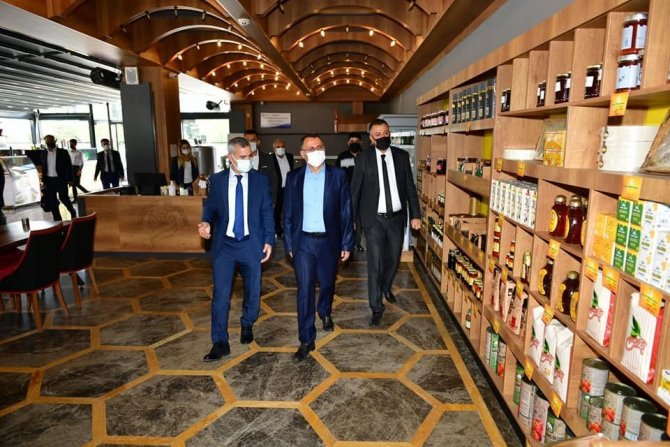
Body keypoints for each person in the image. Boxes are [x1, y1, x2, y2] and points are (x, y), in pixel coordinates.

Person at [198, 137, 275, 361]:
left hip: (251, 243)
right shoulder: (218, 180)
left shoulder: (260, 181)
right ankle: (219, 341)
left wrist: (269, 239)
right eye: (242, 157)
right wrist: (206, 222)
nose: (247, 160)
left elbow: (266, 212)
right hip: (225, 246)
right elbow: (211, 206)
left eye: (249, 156)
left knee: (253, 289)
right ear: (230, 157)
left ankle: (247, 322)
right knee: (221, 295)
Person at [284, 134, 353, 362]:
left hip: (329, 241)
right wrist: (289, 243)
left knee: (327, 283)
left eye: (319, 147)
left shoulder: (338, 175)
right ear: (302, 154)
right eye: (311, 148)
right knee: (304, 289)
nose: (316, 151)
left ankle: (324, 311)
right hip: (303, 242)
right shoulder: (293, 177)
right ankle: (306, 338)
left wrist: (346, 242)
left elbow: (346, 210)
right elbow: (288, 213)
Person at [351, 119, 421, 327]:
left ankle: (385, 286)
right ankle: (376, 307)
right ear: (371, 138)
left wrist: (416, 214)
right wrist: (352, 222)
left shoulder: (401, 156)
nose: (383, 137)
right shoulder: (363, 159)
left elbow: (410, 188)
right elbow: (355, 192)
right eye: (378, 135)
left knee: (393, 260)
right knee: (375, 264)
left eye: (386, 133)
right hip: (373, 220)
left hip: (397, 219)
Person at [336, 132, 365, 253]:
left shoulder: (365, 156)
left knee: (359, 220)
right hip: (346, 193)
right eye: (351, 141)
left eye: (356, 141)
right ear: (348, 143)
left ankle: (357, 243)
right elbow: (337, 175)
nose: (354, 143)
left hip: (363, 194)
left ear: (361, 142)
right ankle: (345, 243)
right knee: (347, 219)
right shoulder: (342, 156)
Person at [41, 135, 77, 221]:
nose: (49, 142)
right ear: (45, 143)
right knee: (52, 201)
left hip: (61, 179)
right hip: (49, 180)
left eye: (51, 140)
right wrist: (43, 181)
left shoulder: (63, 152)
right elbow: (44, 167)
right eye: (47, 141)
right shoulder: (43, 153)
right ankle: (57, 220)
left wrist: (70, 179)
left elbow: (69, 166)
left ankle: (72, 212)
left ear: (54, 141)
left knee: (64, 198)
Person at [243, 129, 279, 205]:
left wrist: (273, 201)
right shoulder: (239, 159)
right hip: (244, 199)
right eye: (247, 141)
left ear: (258, 142)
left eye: (252, 140)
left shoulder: (268, 158)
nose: (250, 143)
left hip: (263, 199)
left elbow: (274, 180)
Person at [271, 138, 294, 238]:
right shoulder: (270, 158)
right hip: (277, 189)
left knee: (288, 210)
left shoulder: (289, 157)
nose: (281, 148)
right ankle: (278, 231)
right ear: (274, 148)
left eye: (283, 146)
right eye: (278, 147)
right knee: (276, 210)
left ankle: (287, 229)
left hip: (288, 188)